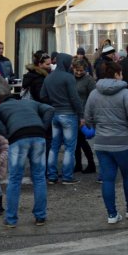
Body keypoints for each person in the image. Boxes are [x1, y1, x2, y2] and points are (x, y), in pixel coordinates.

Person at [83, 58, 128, 224]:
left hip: (102, 142)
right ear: (117, 74)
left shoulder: (94, 93)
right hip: (124, 141)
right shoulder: (126, 93)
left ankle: (112, 214)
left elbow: (87, 118)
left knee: (108, 179)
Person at [0, 92, 54, 227]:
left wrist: (6, 132)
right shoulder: (29, 102)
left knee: (15, 179)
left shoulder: (0, 107)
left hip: (18, 138)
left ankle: (11, 219)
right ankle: (40, 217)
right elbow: (50, 109)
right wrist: (43, 127)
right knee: (39, 177)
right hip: (38, 136)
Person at [42, 52, 84, 184]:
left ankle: (52, 176)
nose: (71, 65)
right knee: (69, 147)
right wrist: (81, 114)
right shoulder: (68, 77)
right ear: (65, 62)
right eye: (70, 63)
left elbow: (42, 95)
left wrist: (54, 102)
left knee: (54, 147)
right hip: (69, 115)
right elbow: (74, 98)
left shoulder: (48, 77)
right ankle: (67, 176)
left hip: (55, 114)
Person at [72, 57, 98, 174]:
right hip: (74, 114)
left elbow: (93, 98)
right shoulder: (71, 79)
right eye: (76, 70)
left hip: (85, 114)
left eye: (81, 70)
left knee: (82, 140)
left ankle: (91, 164)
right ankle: (78, 164)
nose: (78, 72)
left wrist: (88, 116)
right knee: (76, 141)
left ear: (85, 69)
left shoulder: (89, 80)